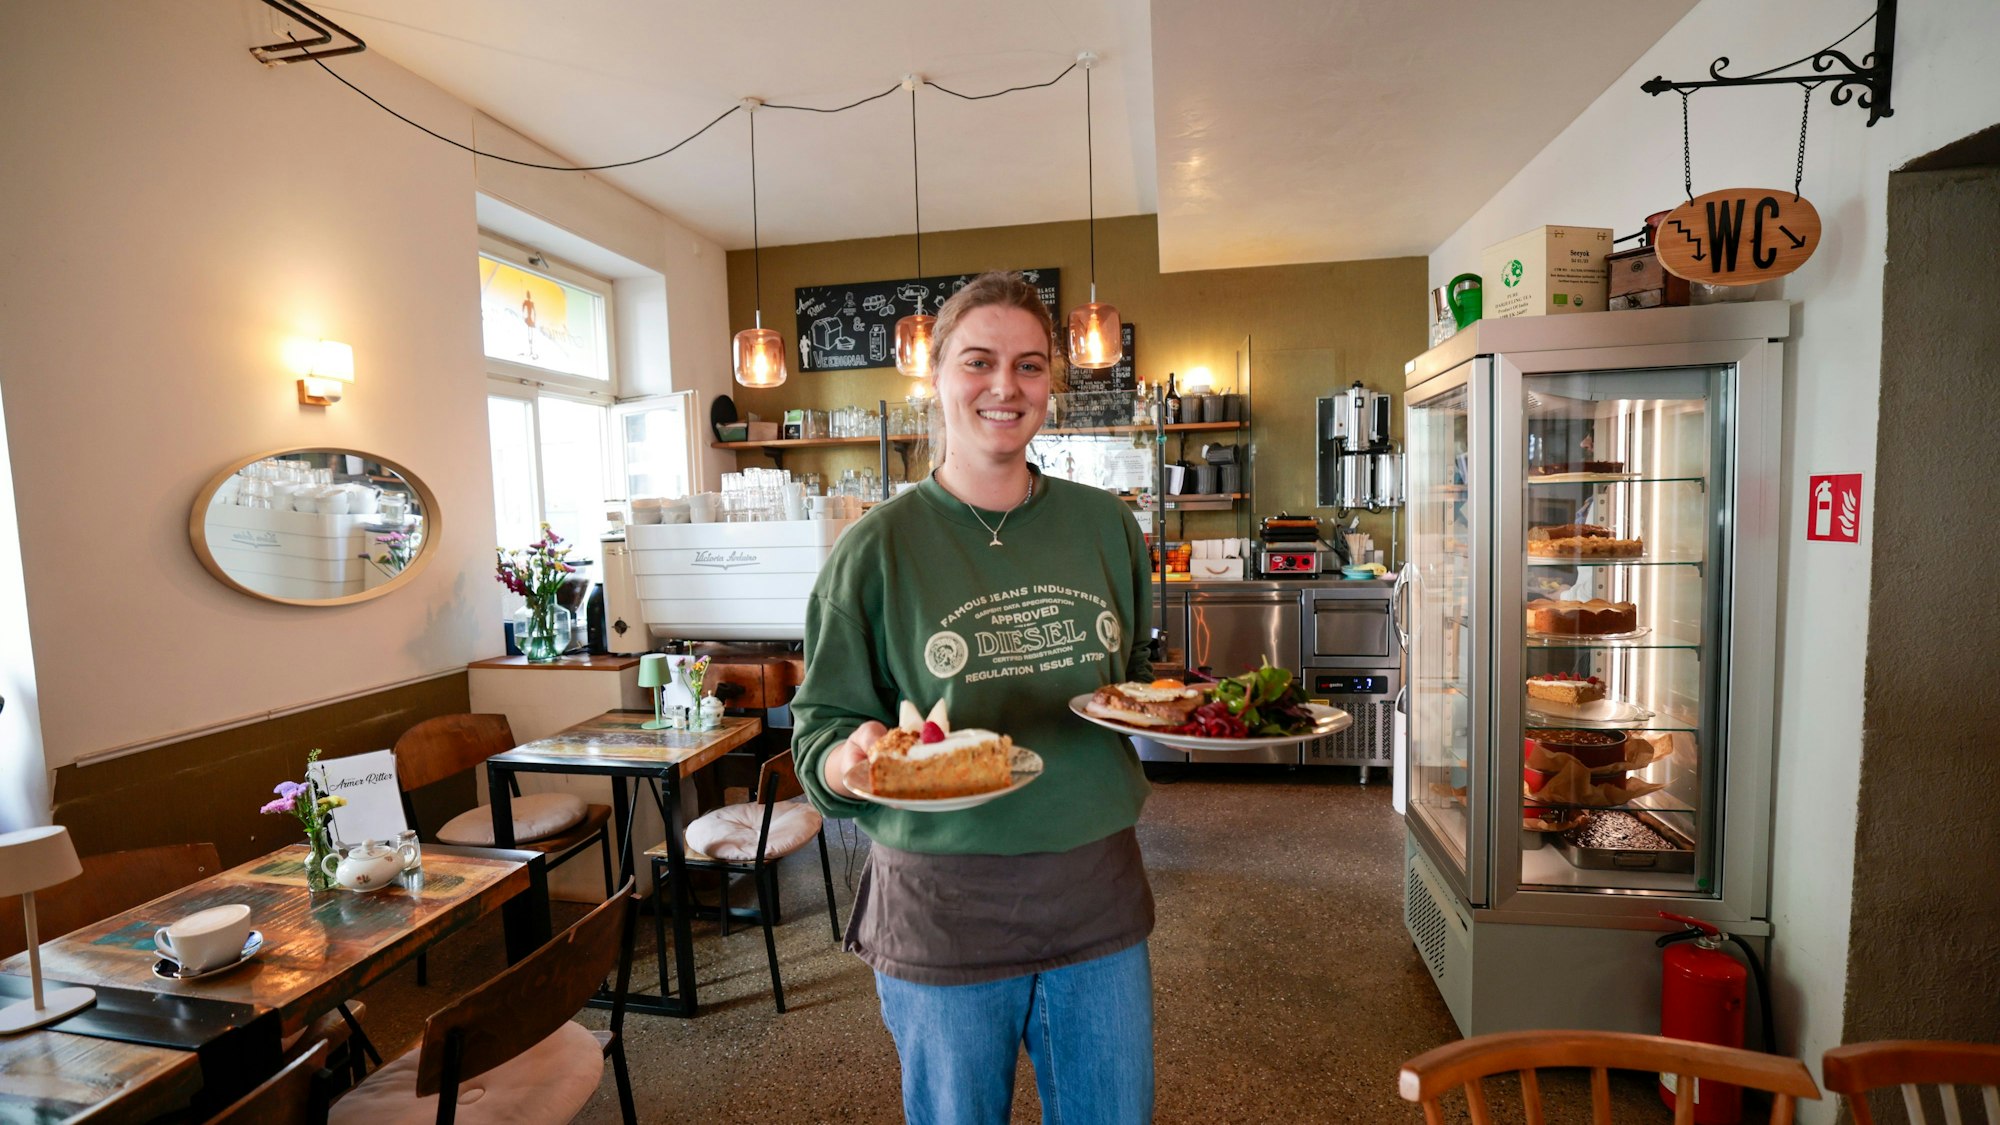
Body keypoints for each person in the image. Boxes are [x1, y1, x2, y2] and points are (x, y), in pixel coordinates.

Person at [792, 271, 1157, 1124]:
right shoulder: (874, 549)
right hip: (941, 903)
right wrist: (849, 761)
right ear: (935, 378)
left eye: (1030, 365)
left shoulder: (1106, 527)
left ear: (1052, 387)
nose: (1005, 386)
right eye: (978, 361)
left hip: (1094, 887)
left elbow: (1131, 676)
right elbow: (822, 732)